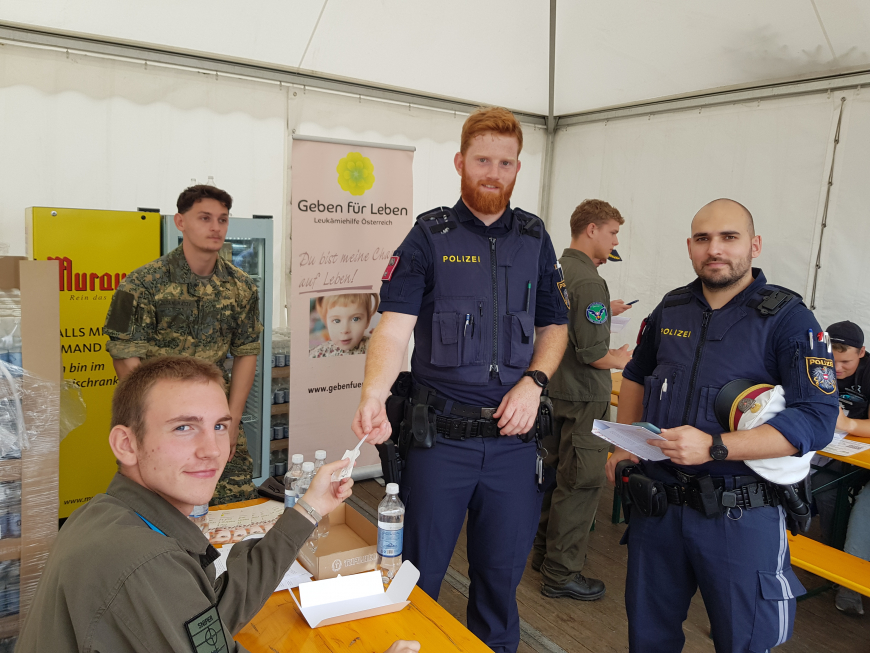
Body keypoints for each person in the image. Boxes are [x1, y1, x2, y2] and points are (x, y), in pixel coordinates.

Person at [16, 356, 422, 653]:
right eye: (184, 427)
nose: (213, 450)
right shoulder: (145, 562)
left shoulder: (110, 514)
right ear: (127, 444)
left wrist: (311, 505)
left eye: (220, 427)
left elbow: (209, 615)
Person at [351, 107, 569, 653]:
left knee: (499, 586)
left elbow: (555, 324)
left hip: (514, 445)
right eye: (482, 161)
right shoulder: (429, 236)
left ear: (518, 168)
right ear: (459, 162)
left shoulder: (534, 238)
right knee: (415, 578)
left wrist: (535, 381)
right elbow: (393, 328)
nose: (493, 173)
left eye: (505, 163)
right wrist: (373, 394)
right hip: (439, 444)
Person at [605, 198, 839, 652]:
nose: (714, 249)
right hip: (659, 507)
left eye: (729, 237)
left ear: (754, 245)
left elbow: (817, 417)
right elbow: (636, 374)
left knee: (745, 642)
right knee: (648, 638)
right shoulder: (672, 308)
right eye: (703, 238)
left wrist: (716, 447)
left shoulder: (789, 319)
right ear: (690, 247)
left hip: (741, 512)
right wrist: (624, 445)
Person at [103, 185, 262, 505]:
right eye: (204, 218)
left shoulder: (241, 287)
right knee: (158, 506)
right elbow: (124, 354)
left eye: (222, 219)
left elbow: (247, 351)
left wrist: (230, 421)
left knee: (233, 504)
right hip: (163, 421)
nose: (215, 227)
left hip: (214, 416)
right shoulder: (141, 284)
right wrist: (153, 420)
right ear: (180, 222)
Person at [531, 199, 632, 600]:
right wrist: (620, 358)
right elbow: (593, 354)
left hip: (554, 391)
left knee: (553, 477)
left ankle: (543, 555)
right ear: (592, 229)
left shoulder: (556, 269)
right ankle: (561, 574)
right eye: (613, 233)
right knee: (580, 484)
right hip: (584, 397)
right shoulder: (589, 281)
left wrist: (606, 309)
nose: (615, 242)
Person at [813, 320, 870, 615]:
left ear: (861, 352)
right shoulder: (813, 361)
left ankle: (839, 562)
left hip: (856, 452)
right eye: (830, 362)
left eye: (845, 362)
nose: (836, 369)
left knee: (826, 489)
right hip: (823, 446)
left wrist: (847, 424)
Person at [309, 293, 379, 358]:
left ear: (368, 321)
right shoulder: (317, 354)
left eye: (355, 319)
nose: (345, 330)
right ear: (326, 322)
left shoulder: (376, 347)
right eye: (336, 321)